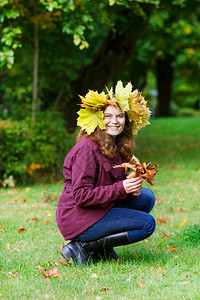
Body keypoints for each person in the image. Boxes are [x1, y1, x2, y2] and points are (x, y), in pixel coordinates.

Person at [56, 80, 156, 265]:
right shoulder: (87, 148)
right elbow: (81, 196)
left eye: (120, 116)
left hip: (99, 209)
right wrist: (121, 188)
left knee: (146, 197)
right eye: (108, 116)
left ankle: (102, 250)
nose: (114, 121)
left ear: (126, 120)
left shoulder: (114, 145)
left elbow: (112, 188)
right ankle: (82, 247)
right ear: (99, 118)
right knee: (148, 224)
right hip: (79, 217)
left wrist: (130, 188)